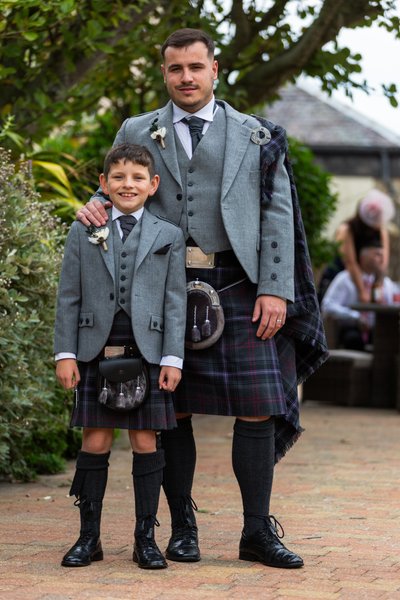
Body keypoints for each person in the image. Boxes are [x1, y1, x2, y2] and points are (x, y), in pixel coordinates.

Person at [77, 28, 328, 569]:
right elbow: (116, 188)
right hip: (160, 289)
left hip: (239, 287)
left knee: (259, 408)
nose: (185, 78)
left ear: (215, 69)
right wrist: (94, 206)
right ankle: (183, 529)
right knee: (175, 410)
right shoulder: (137, 129)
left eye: (195, 67)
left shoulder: (257, 135)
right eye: (175, 69)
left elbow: (277, 218)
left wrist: (275, 289)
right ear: (163, 72)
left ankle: (257, 532)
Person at [54, 143, 187, 569]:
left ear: (153, 185)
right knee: (94, 439)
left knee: (146, 440)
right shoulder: (84, 229)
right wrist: (65, 353)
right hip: (95, 349)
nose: (127, 185)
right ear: (103, 184)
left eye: (136, 178)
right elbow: (69, 297)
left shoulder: (169, 235)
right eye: (118, 177)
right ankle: (87, 537)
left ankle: (145, 539)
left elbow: (174, 303)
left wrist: (172, 358)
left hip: (148, 351)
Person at [318, 189, 394, 303]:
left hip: (367, 279)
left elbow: (382, 264)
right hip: (343, 276)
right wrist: (362, 291)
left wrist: (377, 286)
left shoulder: (381, 230)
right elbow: (350, 262)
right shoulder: (347, 229)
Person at [321, 242, 398, 350]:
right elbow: (327, 306)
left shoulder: (386, 283)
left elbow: (394, 305)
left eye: (383, 255)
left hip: (378, 332)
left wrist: (380, 278)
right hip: (352, 329)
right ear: (363, 257)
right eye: (377, 254)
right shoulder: (345, 278)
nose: (381, 258)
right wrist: (355, 317)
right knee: (353, 339)